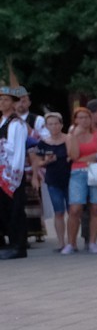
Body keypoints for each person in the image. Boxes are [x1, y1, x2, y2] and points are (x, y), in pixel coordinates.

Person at [66, 106, 97, 254]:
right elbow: (73, 156)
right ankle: (71, 243)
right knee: (75, 208)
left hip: (96, 172)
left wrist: (81, 159)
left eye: (86, 117)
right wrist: (74, 137)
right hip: (78, 173)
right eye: (80, 118)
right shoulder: (71, 135)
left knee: (96, 207)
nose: (84, 120)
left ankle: (92, 242)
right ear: (75, 120)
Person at [30, 112, 69, 252]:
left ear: (61, 125)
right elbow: (37, 162)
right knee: (59, 212)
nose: (54, 126)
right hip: (53, 180)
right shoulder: (43, 143)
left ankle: (72, 241)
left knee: (73, 211)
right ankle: (61, 242)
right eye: (50, 124)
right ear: (46, 126)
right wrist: (45, 163)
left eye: (56, 123)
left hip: (70, 179)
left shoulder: (69, 139)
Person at [0, 86, 29, 259]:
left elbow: (17, 150)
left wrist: (14, 175)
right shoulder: (2, 121)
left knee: (15, 209)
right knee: (4, 209)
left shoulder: (16, 124)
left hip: (12, 173)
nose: (2, 103)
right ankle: (10, 242)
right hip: (1, 172)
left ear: (13, 103)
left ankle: (19, 246)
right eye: (0, 99)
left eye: (6, 100)